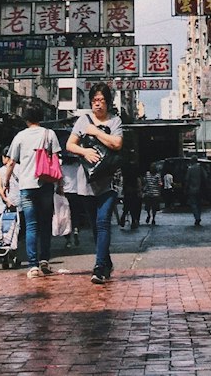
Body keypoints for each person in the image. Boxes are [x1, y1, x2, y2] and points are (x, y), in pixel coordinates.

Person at [67, 82, 123, 283]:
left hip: (108, 181)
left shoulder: (115, 121)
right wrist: (85, 151)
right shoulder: (83, 120)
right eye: (94, 100)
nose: (97, 104)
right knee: (94, 226)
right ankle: (106, 262)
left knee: (103, 223)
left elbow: (117, 143)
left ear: (107, 102)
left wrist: (96, 131)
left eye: (101, 100)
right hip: (87, 181)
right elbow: (70, 145)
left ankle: (99, 267)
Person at [2, 102, 62, 278]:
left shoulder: (20, 136)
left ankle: (33, 265)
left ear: (26, 118)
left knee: (31, 226)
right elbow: (57, 160)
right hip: (46, 184)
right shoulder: (49, 134)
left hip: (26, 186)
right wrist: (60, 184)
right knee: (45, 225)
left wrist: (6, 181)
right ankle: (45, 260)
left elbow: (11, 162)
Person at [185, 158, 204, 226]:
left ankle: (197, 217)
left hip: (192, 189)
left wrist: (186, 188)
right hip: (200, 188)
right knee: (199, 204)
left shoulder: (190, 169)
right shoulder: (201, 168)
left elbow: (187, 179)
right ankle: (199, 216)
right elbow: (205, 177)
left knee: (193, 204)